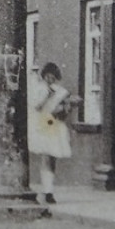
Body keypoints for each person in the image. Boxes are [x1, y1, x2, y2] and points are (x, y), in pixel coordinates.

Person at [26, 62, 72, 205]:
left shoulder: (59, 90)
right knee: (46, 157)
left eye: (53, 78)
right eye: (48, 77)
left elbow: (64, 109)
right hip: (42, 124)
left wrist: (65, 107)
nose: (50, 80)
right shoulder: (39, 88)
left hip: (54, 124)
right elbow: (36, 106)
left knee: (52, 157)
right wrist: (47, 96)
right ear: (44, 76)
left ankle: (49, 190)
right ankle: (47, 191)